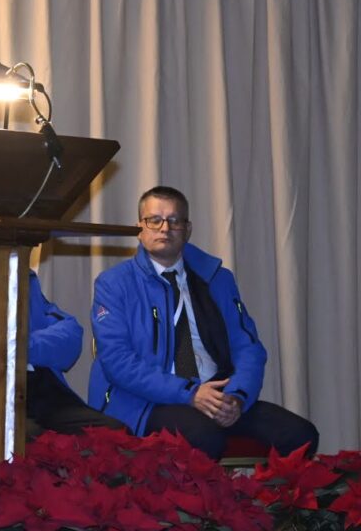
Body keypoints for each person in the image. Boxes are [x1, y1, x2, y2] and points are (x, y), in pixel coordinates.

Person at [88, 185, 319, 459]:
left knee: (300, 435)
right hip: (147, 401)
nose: (165, 228)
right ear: (140, 227)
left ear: (187, 229)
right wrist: (189, 394)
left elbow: (248, 348)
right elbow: (117, 362)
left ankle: (257, 501)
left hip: (216, 393)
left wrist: (237, 397)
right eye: (154, 220)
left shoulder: (218, 279)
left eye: (174, 221)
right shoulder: (114, 284)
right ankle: (198, 502)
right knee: (205, 437)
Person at [0, 239, 126, 436]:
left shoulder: (24, 277)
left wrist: (22, 348)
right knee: (31, 445)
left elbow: (70, 336)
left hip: (44, 391)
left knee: (115, 434)